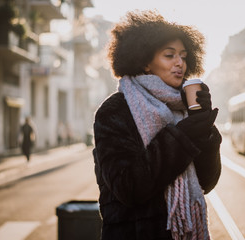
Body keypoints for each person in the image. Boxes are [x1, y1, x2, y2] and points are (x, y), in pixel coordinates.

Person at [93, 10, 222, 240]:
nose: (179, 63)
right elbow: (127, 186)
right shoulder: (115, 111)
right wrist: (181, 138)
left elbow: (207, 182)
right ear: (145, 63)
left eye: (183, 56)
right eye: (169, 55)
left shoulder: (183, 108)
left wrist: (205, 133)